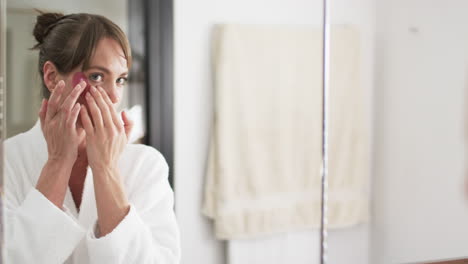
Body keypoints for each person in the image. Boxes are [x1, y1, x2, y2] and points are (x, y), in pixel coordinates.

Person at [4, 11, 180, 264]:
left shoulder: (146, 165)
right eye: (97, 77)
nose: (114, 96)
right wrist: (58, 161)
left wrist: (106, 168)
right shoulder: (9, 160)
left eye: (120, 80)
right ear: (52, 77)